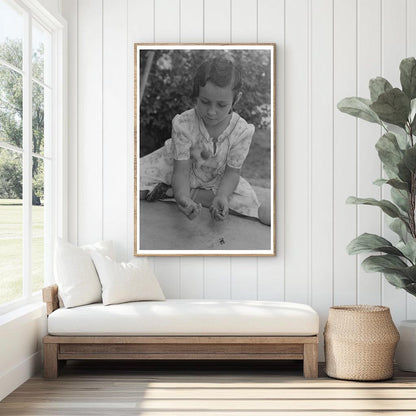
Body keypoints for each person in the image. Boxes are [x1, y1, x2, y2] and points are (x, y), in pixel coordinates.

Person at [140, 55, 270, 225]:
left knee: (248, 201)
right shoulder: (184, 124)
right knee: (130, 181)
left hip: (216, 177)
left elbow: (232, 173)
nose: (211, 112)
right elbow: (181, 170)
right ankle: (179, 193)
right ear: (197, 96)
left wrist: (222, 195)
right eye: (205, 102)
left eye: (221, 105)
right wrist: (183, 197)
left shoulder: (242, 131)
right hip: (175, 166)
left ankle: (169, 192)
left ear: (235, 99)